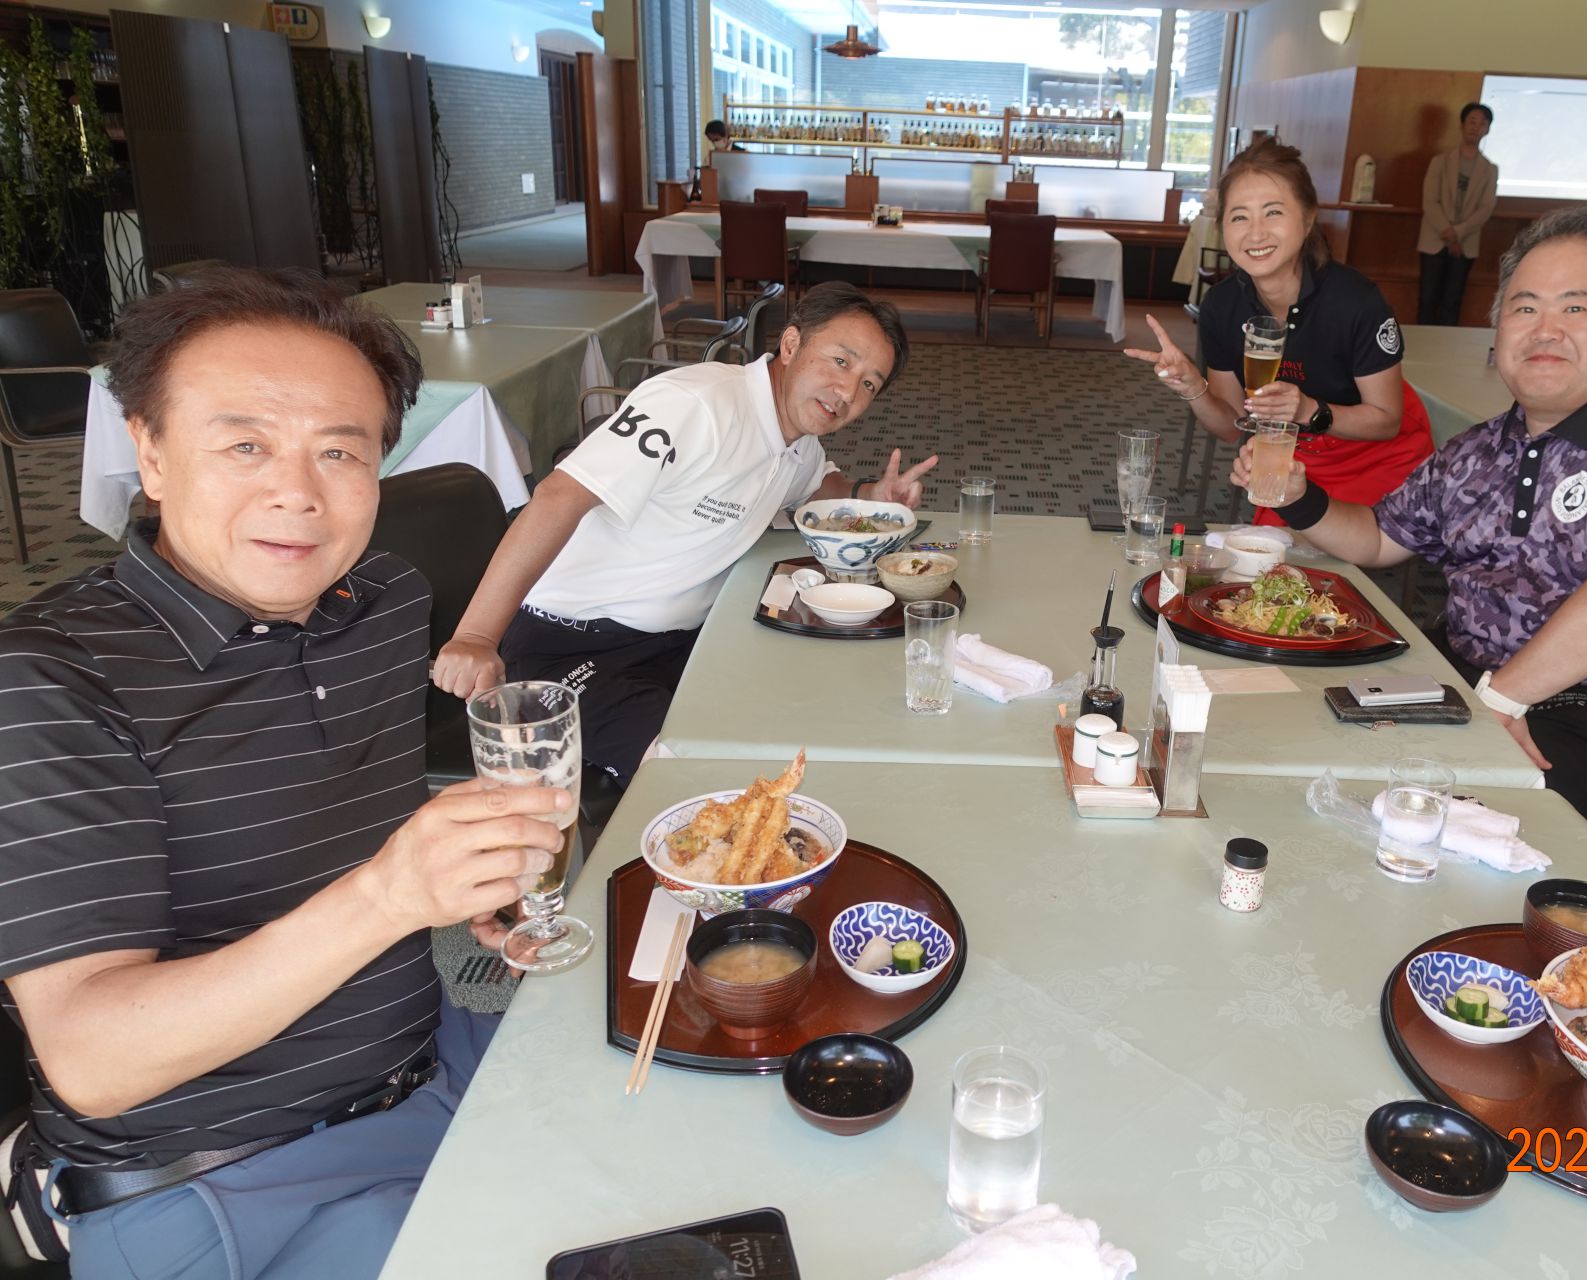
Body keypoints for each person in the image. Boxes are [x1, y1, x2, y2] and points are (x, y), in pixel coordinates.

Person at [0, 268, 568, 1277]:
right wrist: (392, 895)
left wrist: (470, 880)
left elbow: (328, 819)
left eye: (340, 451)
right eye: (245, 444)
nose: (299, 493)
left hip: (432, 1064)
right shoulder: (54, 676)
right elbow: (91, 1058)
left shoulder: (380, 600)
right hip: (216, 1178)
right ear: (149, 452)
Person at [1234, 207, 1587, 821]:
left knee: (1424, 804)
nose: (1546, 330)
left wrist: (1502, 700)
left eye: (1575, 307)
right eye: (1525, 308)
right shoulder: (1482, 447)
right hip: (1473, 682)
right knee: (1294, 722)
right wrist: (1296, 495)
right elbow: (1378, 539)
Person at [431, 282, 933, 783]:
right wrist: (475, 636)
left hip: (683, 642)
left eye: (869, 384)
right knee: (691, 780)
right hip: (569, 646)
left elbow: (817, 486)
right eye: (841, 362)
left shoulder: (798, 442)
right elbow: (559, 497)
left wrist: (869, 493)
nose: (847, 392)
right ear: (791, 343)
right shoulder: (695, 403)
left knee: (807, 713)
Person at [1126, 139, 1435, 511]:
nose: (1255, 233)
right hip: (1293, 463)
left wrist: (1307, 410)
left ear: (1308, 219)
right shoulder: (1222, 306)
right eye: (1239, 217)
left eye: (1273, 212)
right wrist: (1194, 388)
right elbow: (1230, 426)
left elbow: (1387, 421)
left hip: (1380, 462)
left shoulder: (1355, 301)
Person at [1417, 103, 1500, 326]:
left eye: (1482, 123)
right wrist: (1448, 232)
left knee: (1452, 302)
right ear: (1462, 125)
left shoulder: (1490, 169)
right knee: (1427, 299)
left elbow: (1486, 208)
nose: (1476, 127)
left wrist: (1457, 233)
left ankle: (1446, 347)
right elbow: (1429, 201)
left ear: (1487, 130)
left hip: (1465, 244)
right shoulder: (1440, 161)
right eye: (1472, 121)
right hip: (1434, 240)